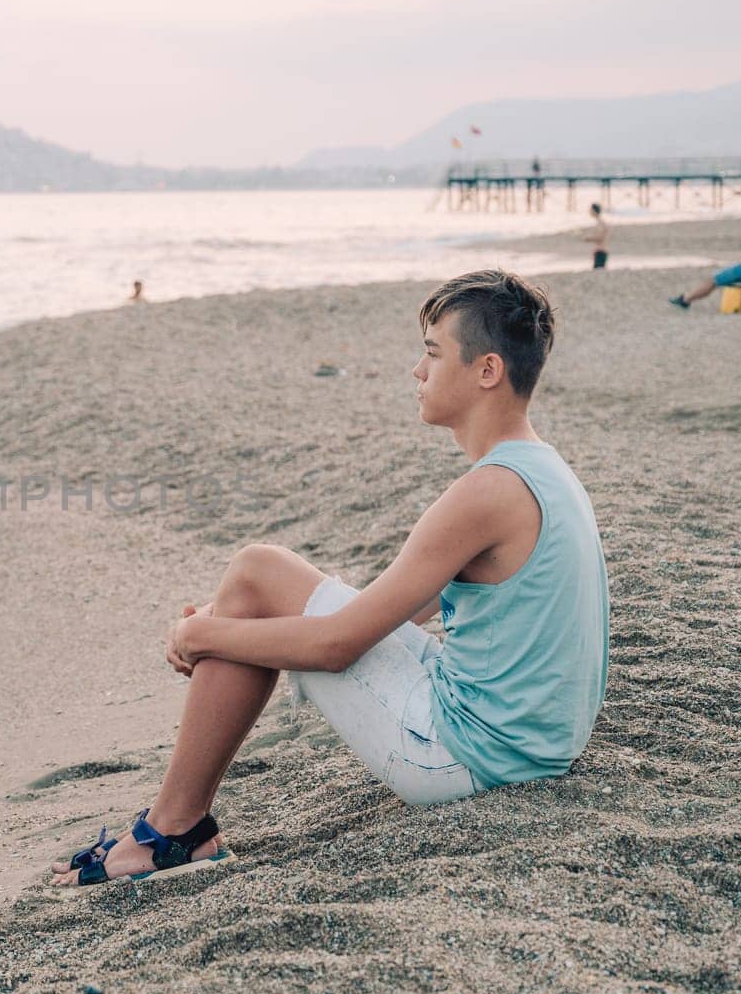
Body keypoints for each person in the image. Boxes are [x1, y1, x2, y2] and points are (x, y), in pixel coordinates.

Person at [51, 269, 610, 888]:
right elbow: (400, 610)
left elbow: (338, 645)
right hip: (531, 744)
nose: (417, 373)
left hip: (471, 758)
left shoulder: (487, 491)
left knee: (255, 578)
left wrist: (202, 638)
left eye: (432, 353)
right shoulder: (540, 468)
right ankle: (178, 825)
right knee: (258, 578)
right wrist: (224, 626)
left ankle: (171, 833)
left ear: (487, 371)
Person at [583, 203, 609, 269]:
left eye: (590, 210)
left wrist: (589, 238)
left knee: (599, 271)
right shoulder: (600, 223)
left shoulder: (601, 223)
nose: (589, 212)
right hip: (599, 251)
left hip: (601, 251)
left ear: (594, 211)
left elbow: (601, 237)